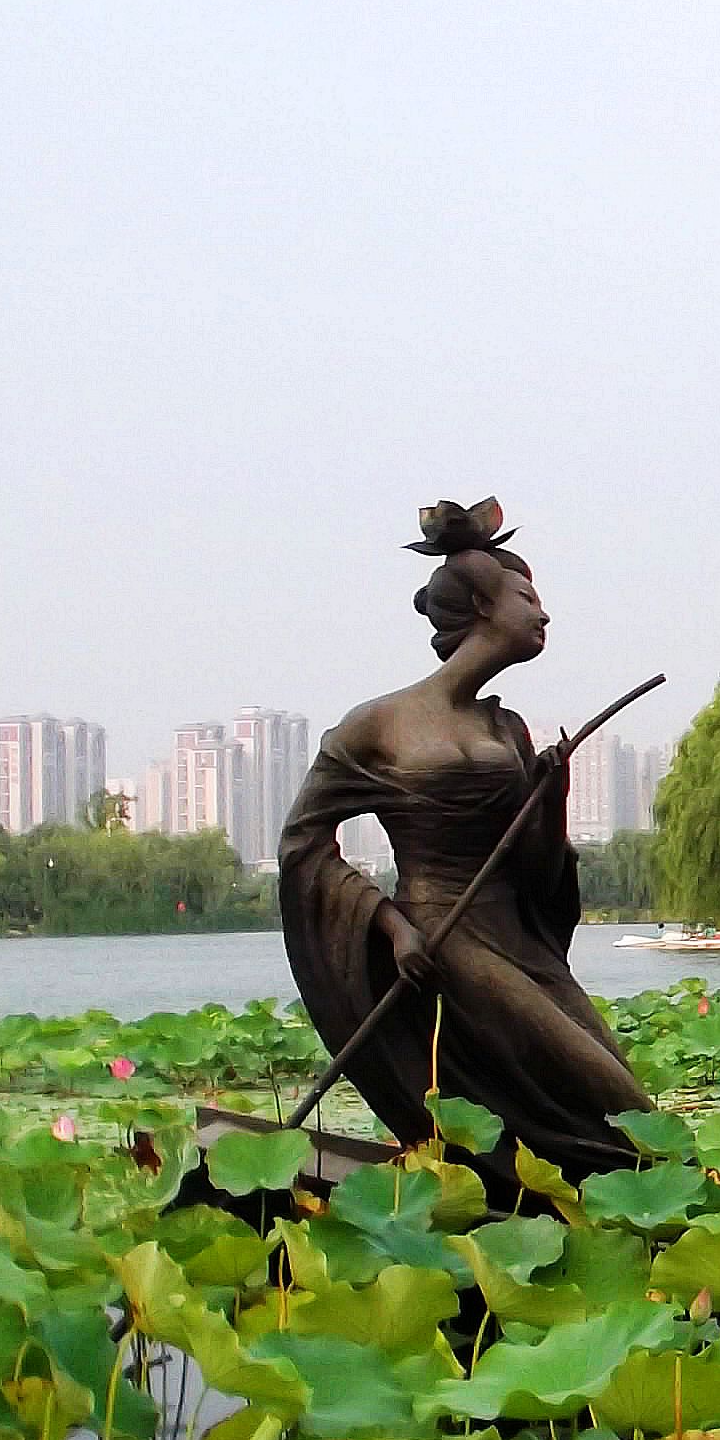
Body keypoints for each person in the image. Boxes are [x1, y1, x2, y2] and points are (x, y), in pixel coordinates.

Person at [279, 499, 651, 1180]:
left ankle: (559, 1201)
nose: (543, 614)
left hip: (518, 936)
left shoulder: (507, 731)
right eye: (527, 597)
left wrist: (551, 798)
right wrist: (389, 927)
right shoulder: (377, 726)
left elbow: (533, 864)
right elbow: (302, 845)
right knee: (611, 1097)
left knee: (621, 1095)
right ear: (484, 604)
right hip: (445, 936)